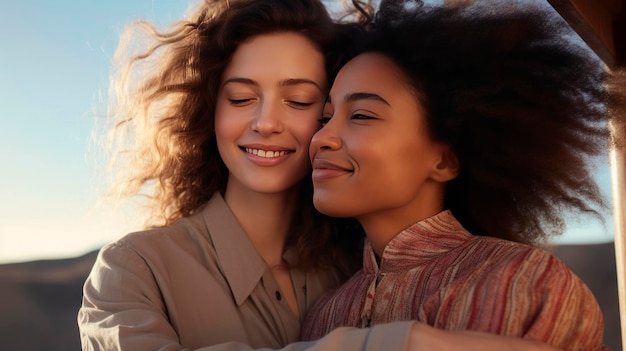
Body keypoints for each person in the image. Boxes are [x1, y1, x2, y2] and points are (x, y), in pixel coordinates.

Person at [77, 0, 564, 350]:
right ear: (207, 112)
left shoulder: (361, 270)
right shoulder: (134, 271)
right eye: (242, 97)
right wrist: (401, 344)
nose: (266, 122)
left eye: (301, 100)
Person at [302, 1, 610, 350]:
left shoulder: (522, 281)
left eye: (361, 116)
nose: (320, 138)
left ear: (445, 160)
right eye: (326, 118)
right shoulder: (324, 315)